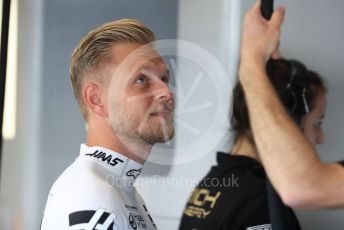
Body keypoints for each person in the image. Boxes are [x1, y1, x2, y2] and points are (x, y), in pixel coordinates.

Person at [41, 19, 174, 229]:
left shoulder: (119, 190)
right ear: (96, 100)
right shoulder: (92, 198)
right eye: (141, 79)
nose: (166, 92)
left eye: (164, 78)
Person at [179, 58, 326, 230]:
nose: (321, 138)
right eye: (317, 124)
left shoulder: (213, 182)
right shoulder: (258, 198)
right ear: (286, 123)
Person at [239, 0, 344, 209]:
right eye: (317, 123)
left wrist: (252, 60)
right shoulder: (253, 197)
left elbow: (306, 187)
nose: (322, 137)